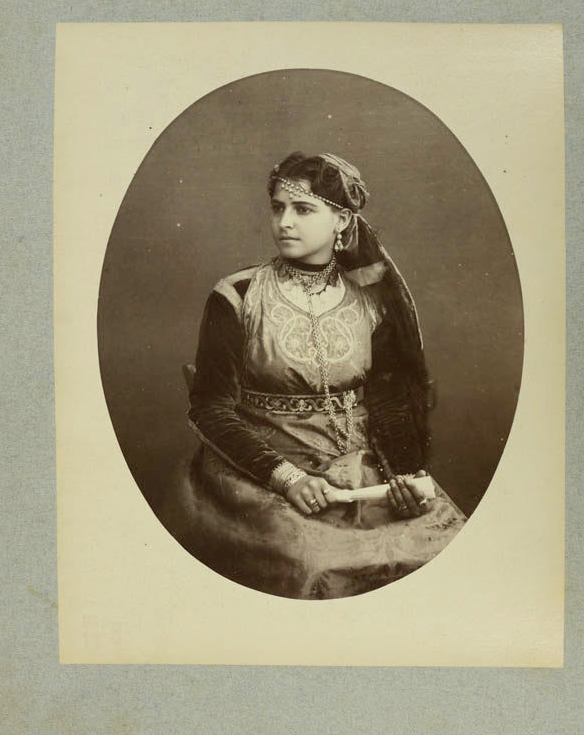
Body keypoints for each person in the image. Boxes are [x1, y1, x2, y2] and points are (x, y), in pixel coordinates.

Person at [169, 152, 466, 599]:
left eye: (303, 209)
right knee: (314, 568)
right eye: (277, 207)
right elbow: (210, 408)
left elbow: (388, 399)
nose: (284, 221)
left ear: (342, 220)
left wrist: (403, 475)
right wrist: (288, 479)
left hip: (362, 471)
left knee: (445, 549)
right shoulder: (237, 295)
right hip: (262, 472)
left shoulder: (371, 301)